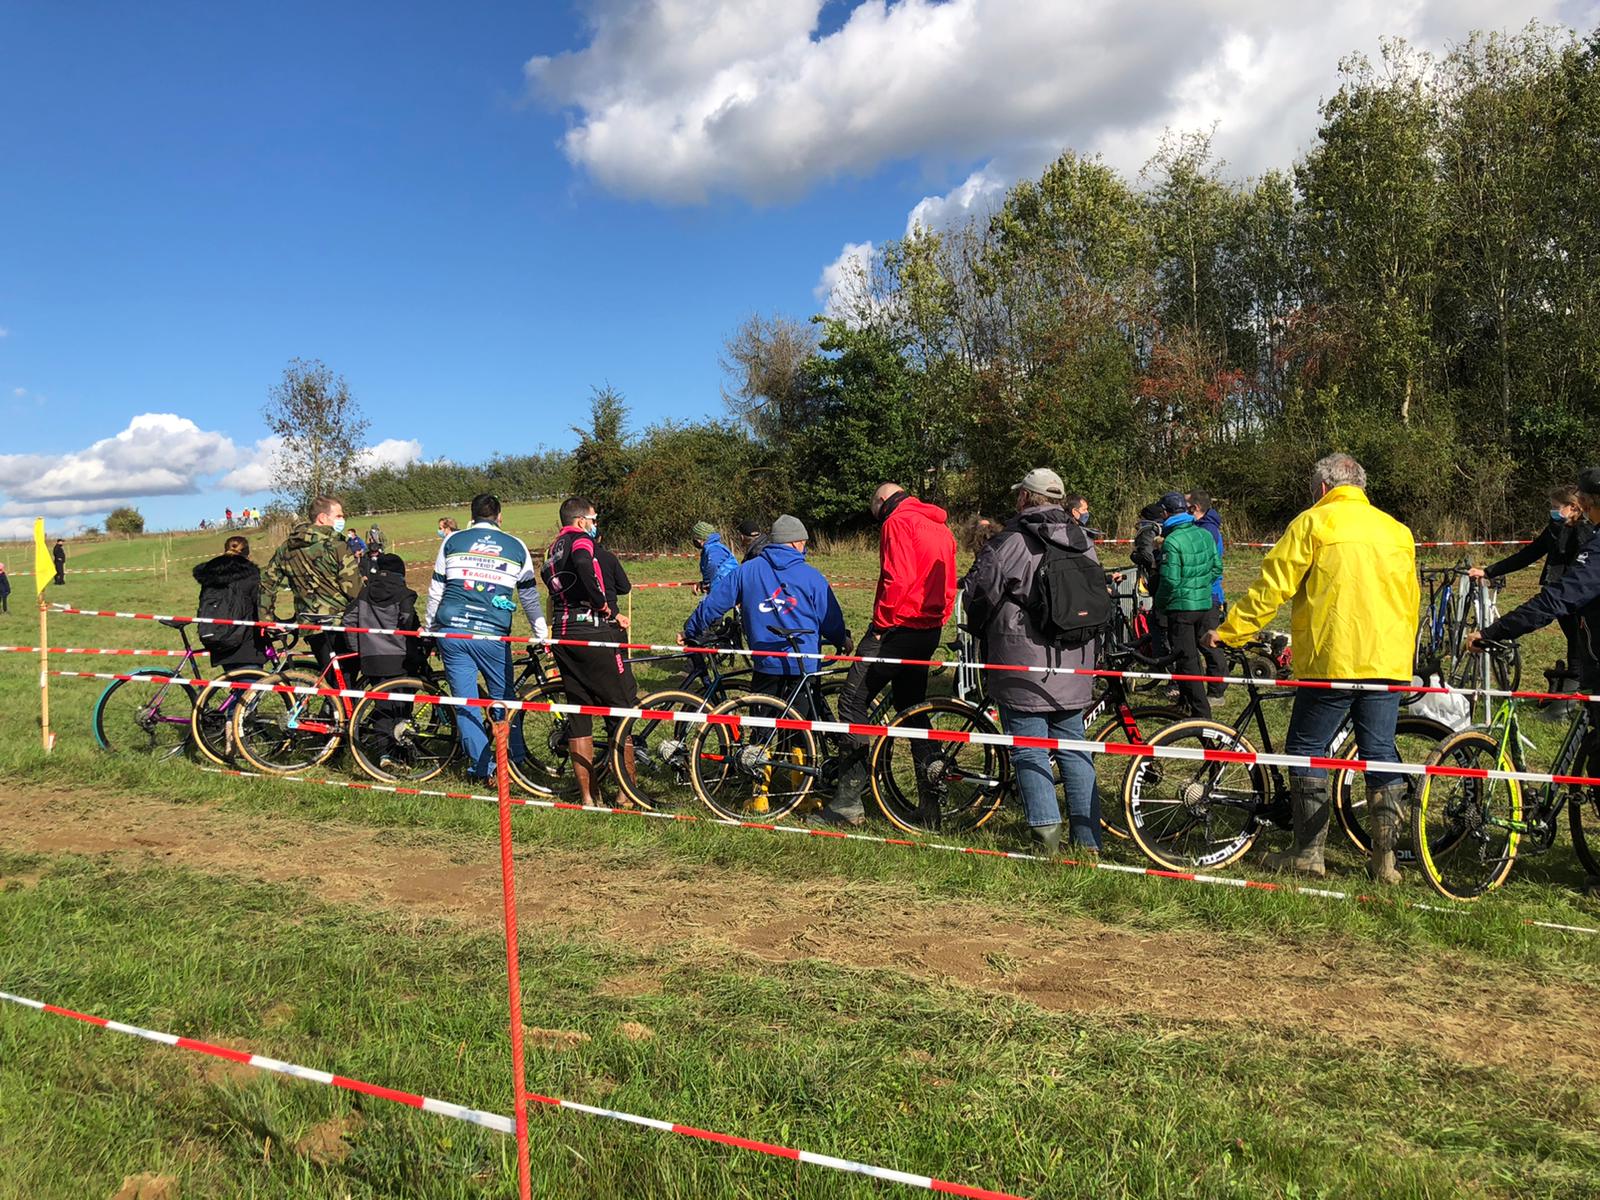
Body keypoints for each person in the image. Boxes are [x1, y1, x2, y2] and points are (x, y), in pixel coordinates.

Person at [1205, 453, 1418, 883]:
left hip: (1333, 660)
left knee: (1306, 748)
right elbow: (1410, 600)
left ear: (1322, 487)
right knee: (1380, 756)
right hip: (1387, 663)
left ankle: (1308, 853)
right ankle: (1385, 862)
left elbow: (1273, 586)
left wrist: (1230, 632)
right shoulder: (1397, 531)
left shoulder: (1313, 524)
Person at [962, 468, 1105, 854]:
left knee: (1029, 747)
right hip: (1075, 661)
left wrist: (979, 631)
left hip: (1021, 662)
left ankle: (1047, 840)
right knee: (1074, 747)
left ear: (1026, 498)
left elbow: (979, 595)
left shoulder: (1010, 542)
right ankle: (1088, 840)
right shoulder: (1083, 541)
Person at [817, 483, 957, 826]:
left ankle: (847, 802)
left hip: (896, 629)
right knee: (913, 710)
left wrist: (881, 625)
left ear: (881, 502)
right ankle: (929, 808)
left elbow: (897, 577)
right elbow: (950, 581)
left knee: (852, 702)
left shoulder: (897, 522)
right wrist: (939, 617)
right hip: (927, 629)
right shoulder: (940, 526)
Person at [427, 493, 548, 781]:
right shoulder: (516, 546)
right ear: (499, 516)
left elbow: (436, 590)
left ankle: (483, 770)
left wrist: (430, 628)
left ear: (472, 516)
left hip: (451, 630)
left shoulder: (451, 541)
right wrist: (540, 632)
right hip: (491, 634)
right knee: (504, 700)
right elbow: (529, 597)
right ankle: (514, 762)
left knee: (466, 703)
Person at [683, 514, 851, 710]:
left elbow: (714, 603)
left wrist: (690, 631)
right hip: (803, 664)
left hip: (765, 661)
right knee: (800, 734)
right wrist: (841, 639)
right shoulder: (812, 576)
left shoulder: (746, 571)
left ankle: (759, 739)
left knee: (762, 732)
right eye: (804, 543)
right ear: (796, 543)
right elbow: (830, 618)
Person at [542, 496, 638, 802]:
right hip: (590, 630)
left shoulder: (552, 547)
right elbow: (584, 563)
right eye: (594, 520)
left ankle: (587, 796)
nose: (595, 526)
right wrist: (602, 604)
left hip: (563, 632)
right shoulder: (580, 540)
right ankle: (627, 791)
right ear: (581, 520)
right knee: (620, 708)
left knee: (579, 713)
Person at [1470, 485, 1593, 715]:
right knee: (1574, 644)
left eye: (1557, 507)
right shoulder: (1554, 529)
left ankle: (1571, 702)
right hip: (1557, 593)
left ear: (1573, 508)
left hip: (1576, 597)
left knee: (1580, 645)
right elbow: (1528, 555)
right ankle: (1569, 696)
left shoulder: (1586, 534)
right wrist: (1489, 571)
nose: (1553, 511)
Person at [260, 495, 364, 672]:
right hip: (340, 623)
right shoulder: (337, 546)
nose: (342, 520)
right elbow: (353, 589)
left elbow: (267, 583)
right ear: (322, 518)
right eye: (339, 516)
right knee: (347, 684)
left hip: (309, 625)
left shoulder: (286, 548)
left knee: (333, 681)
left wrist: (267, 619)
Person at [347, 552, 427, 768]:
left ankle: (386, 753)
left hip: (372, 660)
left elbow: (349, 620)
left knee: (383, 706)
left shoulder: (364, 594)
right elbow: (407, 621)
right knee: (400, 707)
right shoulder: (404, 593)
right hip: (399, 659)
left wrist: (360, 649)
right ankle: (393, 754)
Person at [1154, 491, 1222, 718]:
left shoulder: (1172, 541)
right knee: (1199, 654)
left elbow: (1170, 581)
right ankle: (1187, 703)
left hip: (1181, 609)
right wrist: (1200, 587)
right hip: (1204, 604)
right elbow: (1216, 568)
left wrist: (1161, 604)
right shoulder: (1204, 534)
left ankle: (1202, 715)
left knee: (1187, 663)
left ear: (1165, 513)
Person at [192, 535, 266, 670]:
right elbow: (260, 606)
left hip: (219, 639)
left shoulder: (210, 576)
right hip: (246, 645)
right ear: (248, 553)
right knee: (251, 688)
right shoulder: (250, 575)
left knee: (237, 686)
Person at [1188, 490, 1228, 697]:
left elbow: (1209, 565)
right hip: (1199, 595)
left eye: (1186, 507)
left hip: (1209, 595)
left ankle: (1217, 690)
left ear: (1195, 508)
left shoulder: (1208, 531)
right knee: (1197, 641)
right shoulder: (1200, 527)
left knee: (1209, 643)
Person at [692, 521, 738, 594]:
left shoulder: (714, 548)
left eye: (694, 537)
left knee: (707, 605)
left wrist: (706, 583)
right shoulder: (710, 548)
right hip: (721, 585)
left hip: (726, 586)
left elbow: (713, 564)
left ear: (700, 538)